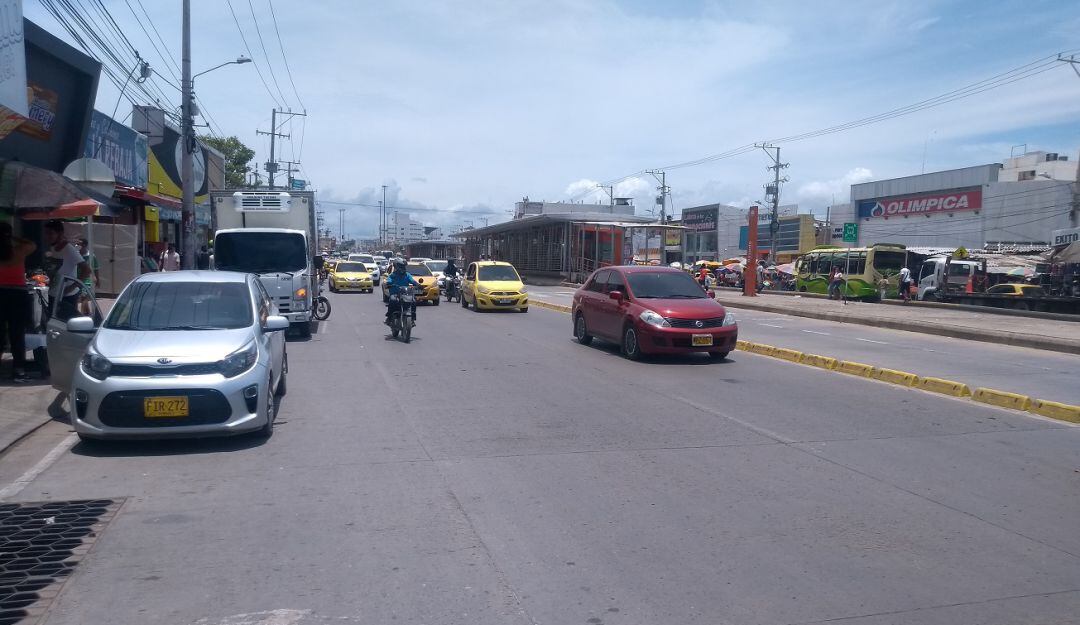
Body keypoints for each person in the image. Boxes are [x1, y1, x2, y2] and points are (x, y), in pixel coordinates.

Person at [0, 222, 37, 382]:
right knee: (17, 334)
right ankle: (18, 371)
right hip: (17, 294)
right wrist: (13, 237)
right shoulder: (19, 250)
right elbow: (33, 245)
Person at [44, 220, 91, 321]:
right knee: (53, 323)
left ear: (60, 233)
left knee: (66, 324)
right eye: (46, 233)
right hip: (54, 293)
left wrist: (71, 287)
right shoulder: (53, 247)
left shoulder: (69, 249)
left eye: (50, 233)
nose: (47, 236)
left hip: (67, 296)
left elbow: (87, 270)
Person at [384, 259, 421, 326]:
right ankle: (389, 318)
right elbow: (389, 280)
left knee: (413, 301)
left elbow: (412, 281)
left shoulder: (407, 275)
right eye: (401, 266)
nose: (403, 268)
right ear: (397, 267)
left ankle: (412, 319)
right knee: (392, 300)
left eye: (403, 266)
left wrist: (418, 285)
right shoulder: (393, 275)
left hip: (405, 293)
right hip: (395, 294)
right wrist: (388, 283)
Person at [76, 238, 100, 316]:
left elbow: (96, 269)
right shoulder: (76, 255)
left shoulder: (91, 256)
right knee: (82, 298)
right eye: (77, 243)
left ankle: (82, 316)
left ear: (85, 245)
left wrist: (98, 280)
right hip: (78, 279)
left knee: (84, 297)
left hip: (88, 280)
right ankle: (88, 313)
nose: (77, 245)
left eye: (79, 244)